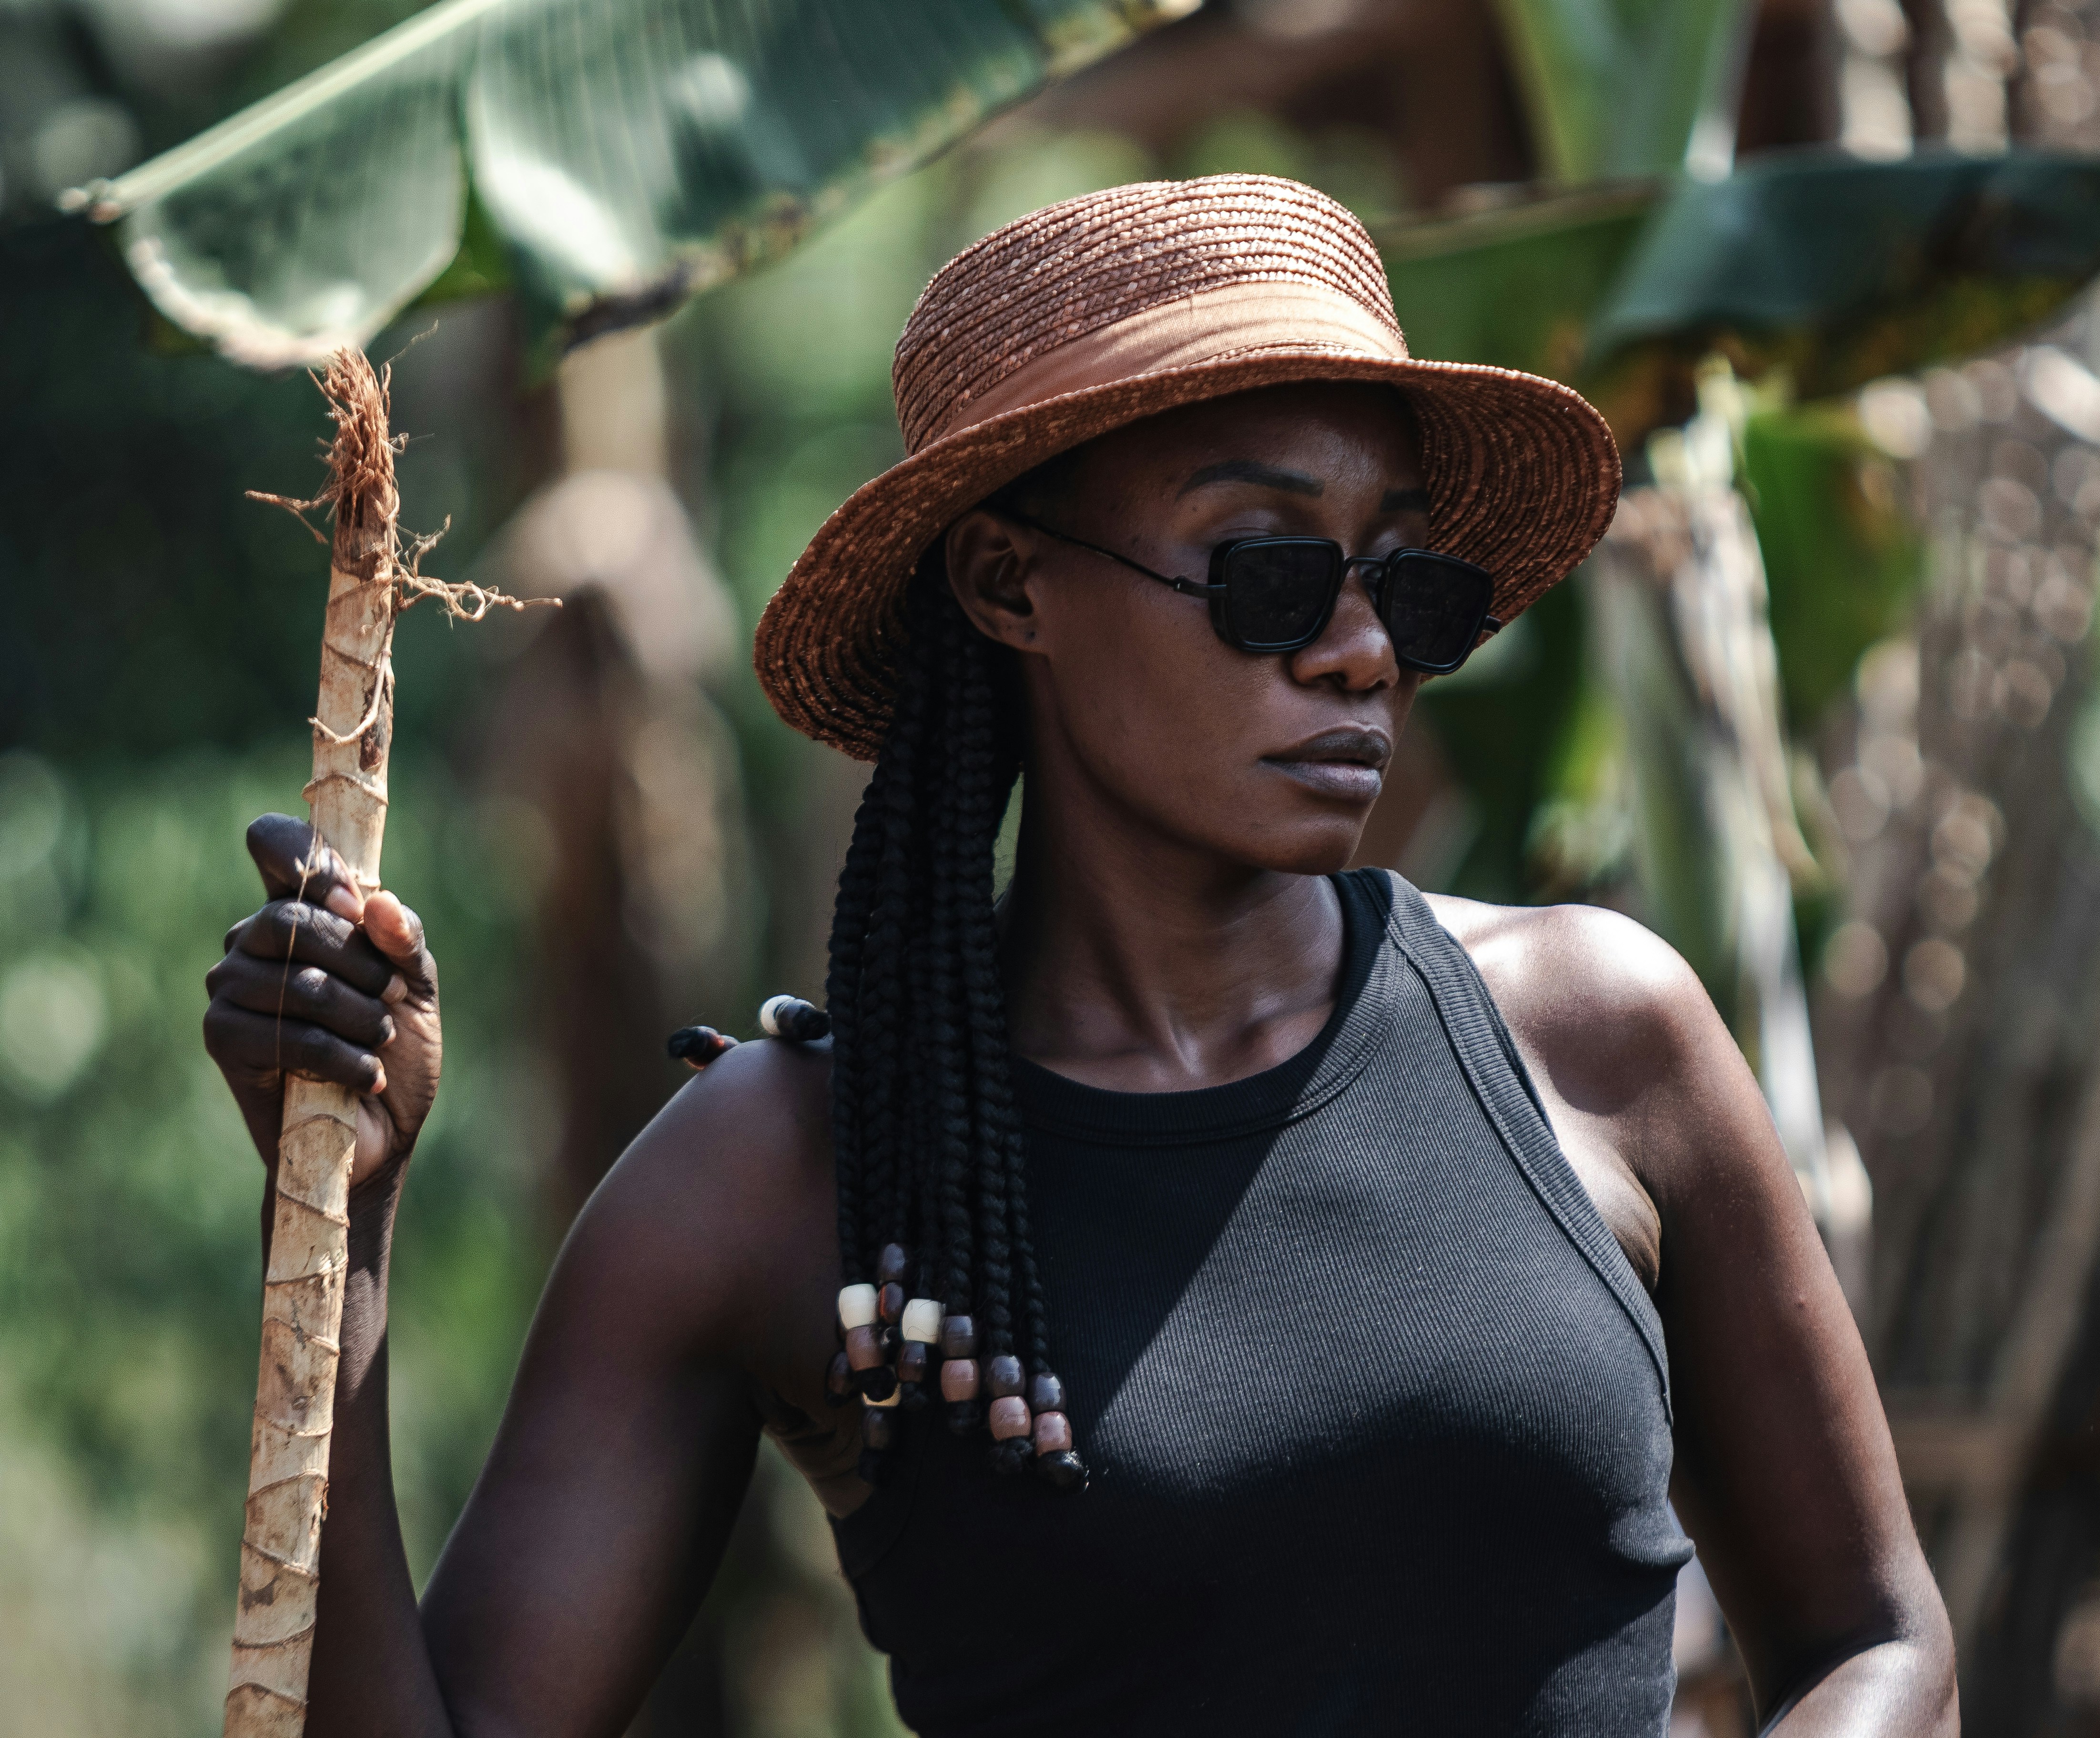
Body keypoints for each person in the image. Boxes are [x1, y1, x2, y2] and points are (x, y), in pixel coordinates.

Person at [202, 175, 1956, 1735]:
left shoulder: (1599, 1034)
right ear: (1006, 585)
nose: (1359, 655)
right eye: (1269, 572)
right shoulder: (784, 1174)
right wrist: (339, 1220)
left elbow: (1880, 1641)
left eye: (1406, 591)